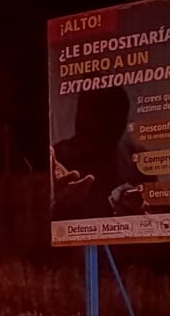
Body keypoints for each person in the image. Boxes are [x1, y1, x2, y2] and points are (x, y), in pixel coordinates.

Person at [50, 86, 148, 221]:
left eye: (100, 116)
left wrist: (142, 219)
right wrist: (54, 202)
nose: (87, 121)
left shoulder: (139, 161)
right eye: (83, 112)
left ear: (120, 123)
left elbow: (164, 224)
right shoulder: (60, 158)